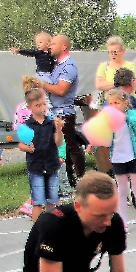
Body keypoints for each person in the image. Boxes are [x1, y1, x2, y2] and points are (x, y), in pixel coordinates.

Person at [37, 35, 82, 185]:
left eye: (53, 43)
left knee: (71, 147)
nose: (49, 46)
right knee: (62, 149)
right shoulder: (56, 65)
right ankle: (69, 180)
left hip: (64, 114)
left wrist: (41, 84)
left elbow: (61, 90)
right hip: (55, 112)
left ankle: (82, 179)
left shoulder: (68, 67)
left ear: (64, 47)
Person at [106, 87, 136, 232]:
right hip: (118, 158)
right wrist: (92, 146)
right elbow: (102, 135)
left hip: (133, 157)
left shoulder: (131, 114)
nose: (113, 107)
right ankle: (123, 221)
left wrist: (127, 118)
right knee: (122, 190)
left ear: (125, 102)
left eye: (116, 103)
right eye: (110, 104)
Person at [18, 88, 63, 222]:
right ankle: (37, 230)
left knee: (52, 200)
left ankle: (49, 227)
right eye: (38, 105)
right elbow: (20, 145)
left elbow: (58, 142)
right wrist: (27, 148)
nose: (42, 107)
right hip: (36, 167)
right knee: (37, 201)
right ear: (29, 107)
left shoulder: (51, 123)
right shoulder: (27, 125)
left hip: (52, 165)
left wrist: (59, 129)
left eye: (44, 104)